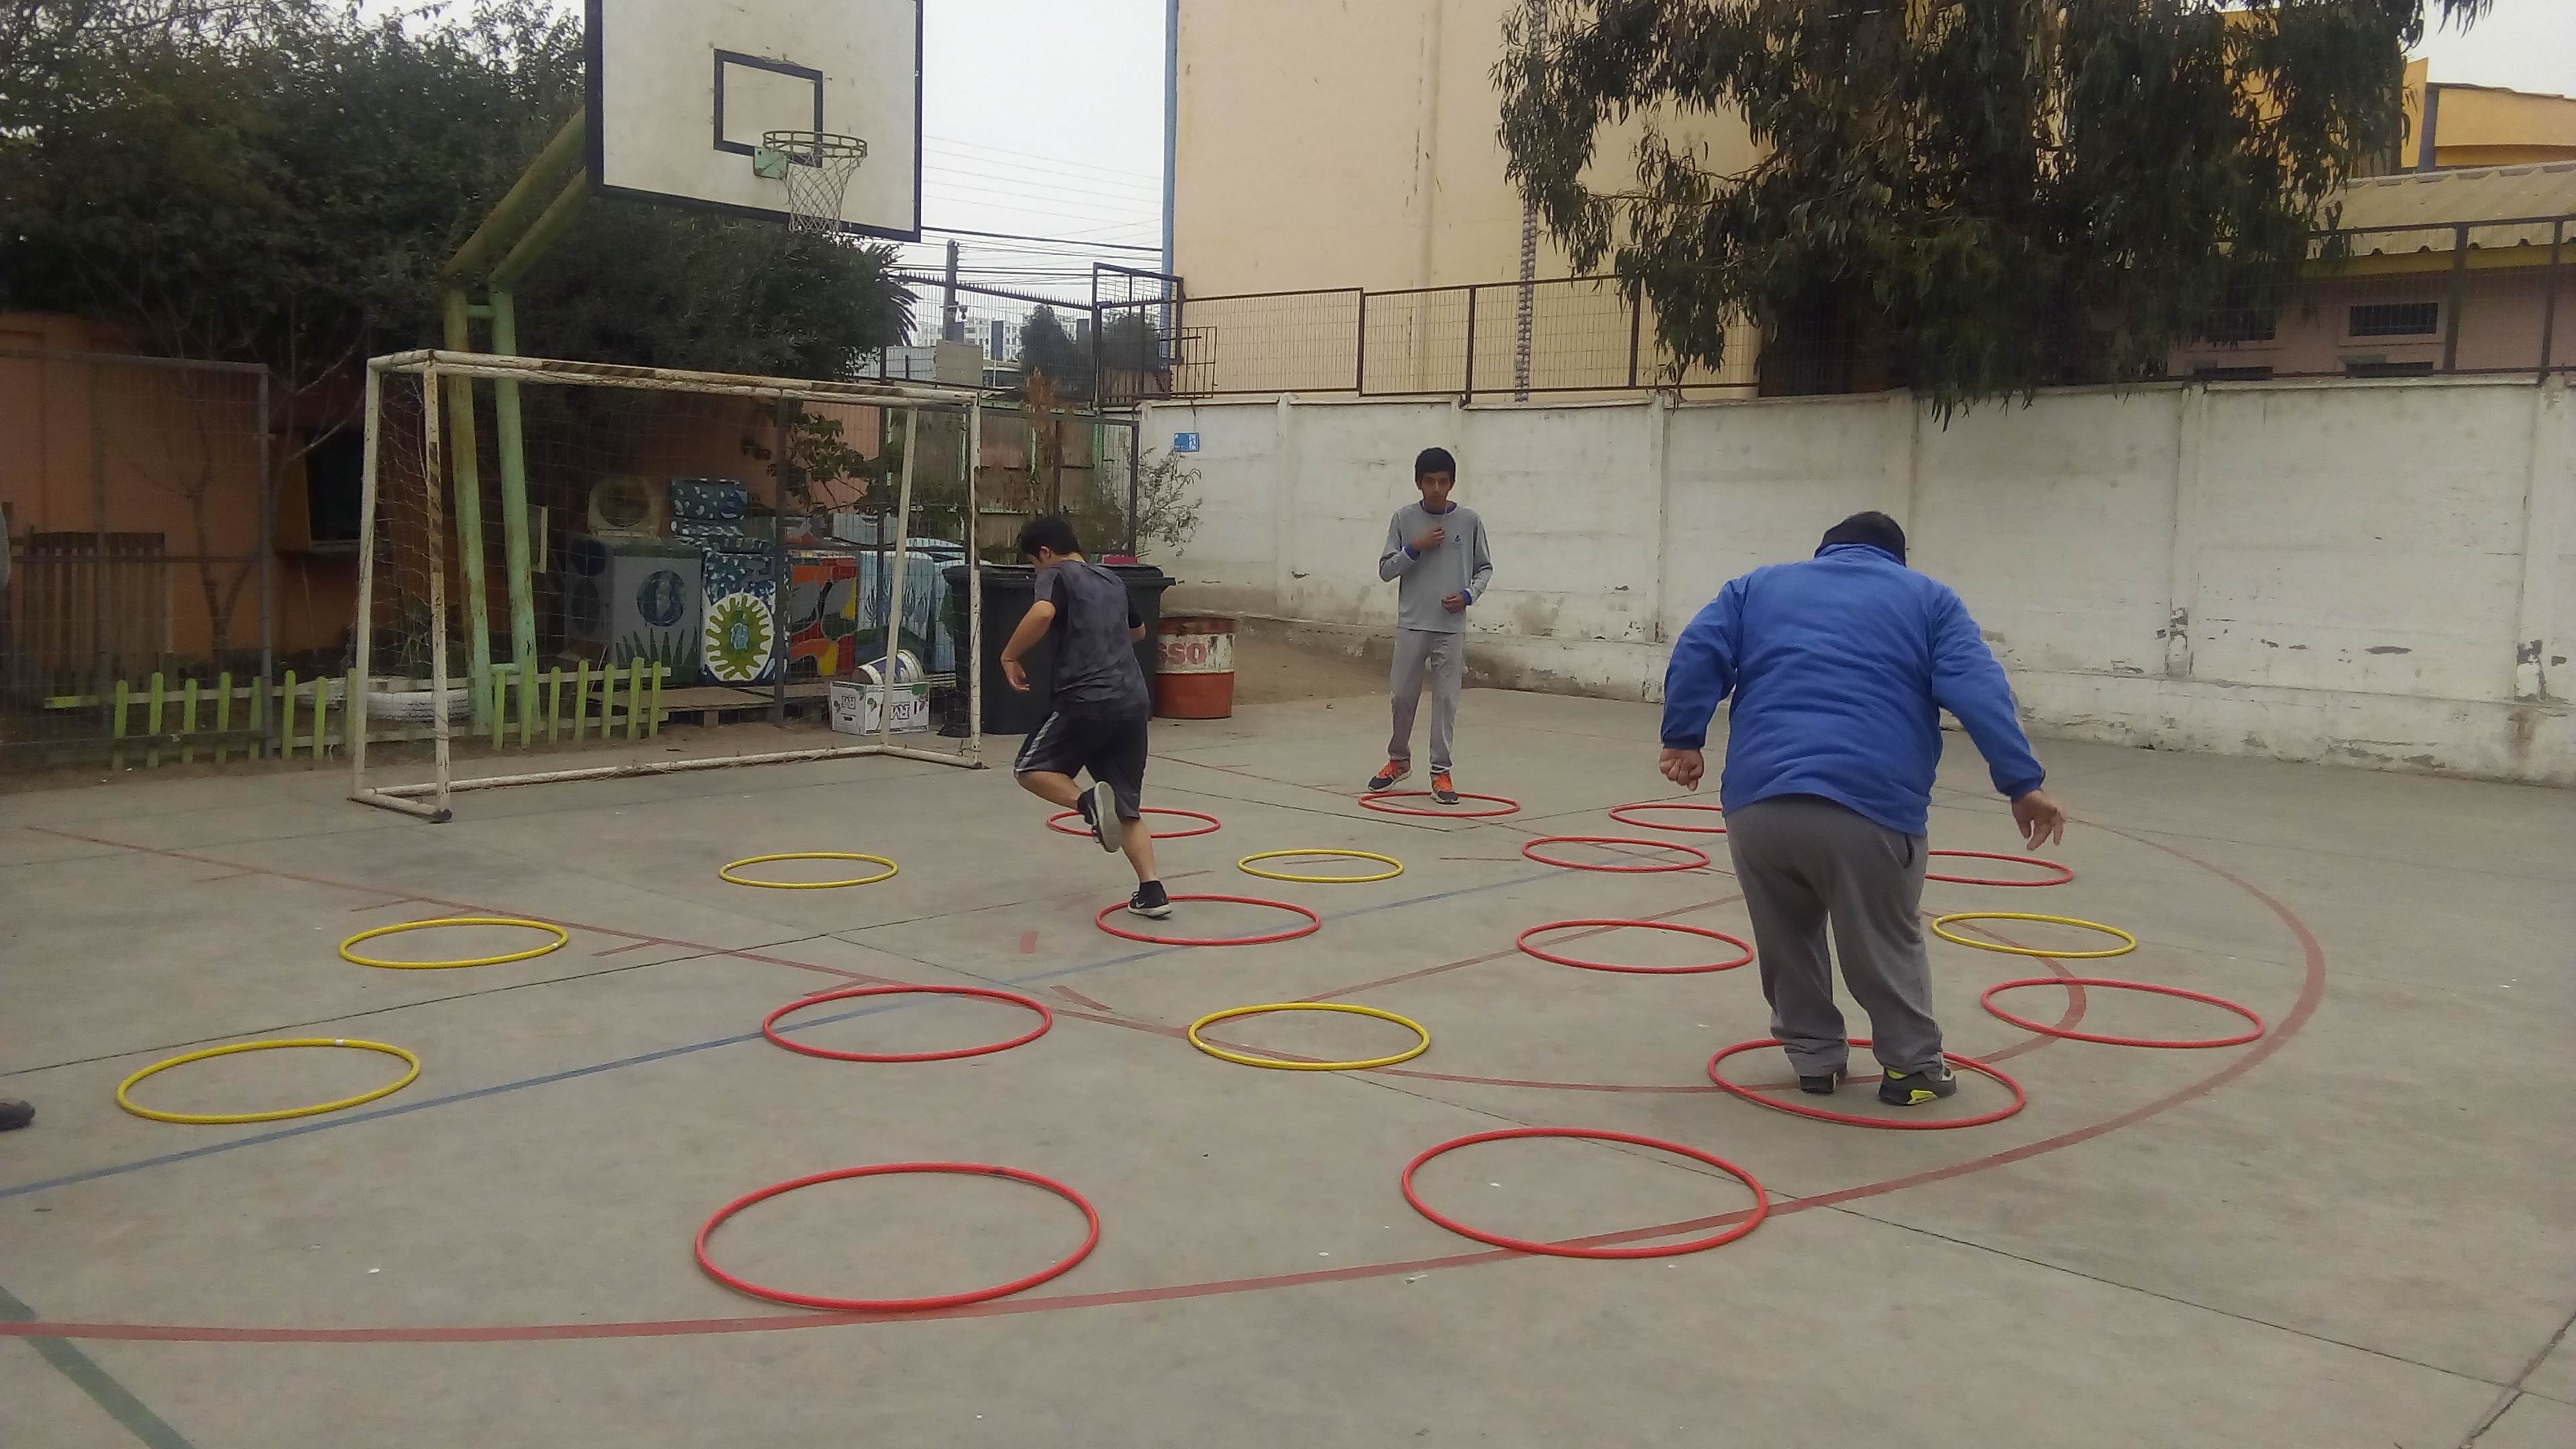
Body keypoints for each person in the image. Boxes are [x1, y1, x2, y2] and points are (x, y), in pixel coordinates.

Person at [1658, 511, 2067, 1108]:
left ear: (1825, 551)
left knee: (1786, 939)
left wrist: (1683, 737)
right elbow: (1979, 687)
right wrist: (2021, 783)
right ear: (1896, 558)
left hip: (1758, 804)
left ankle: (1814, 1060)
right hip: (1868, 805)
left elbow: (1699, 649)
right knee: (1882, 942)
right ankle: (1912, 1069)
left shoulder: (1756, 587)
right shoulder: (1929, 600)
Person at [1002, 515, 1174, 918]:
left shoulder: (1057, 574)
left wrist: (1009, 656)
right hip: (1132, 700)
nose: (1036, 571)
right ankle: (1152, 890)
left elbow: (1042, 614)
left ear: (1045, 552)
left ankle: (1086, 801)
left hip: (1086, 697)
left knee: (1030, 769)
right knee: (1125, 806)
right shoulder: (1112, 579)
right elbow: (1138, 631)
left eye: (1033, 563)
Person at [1368, 446, 1493, 804]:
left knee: (1446, 701)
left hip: (1450, 628)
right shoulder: (1403, 518)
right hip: (1413, 623)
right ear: (1418, 483)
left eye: (1443, 481)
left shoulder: (1469, 520)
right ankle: (1398, 760)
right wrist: (1415, 547)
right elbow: (1385, 570)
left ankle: (1441, 772)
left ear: (1452, 483)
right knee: (1402, 695)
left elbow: (1485, 568)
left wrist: (1468, 595)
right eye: (1429, 482)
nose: (1436, 489)